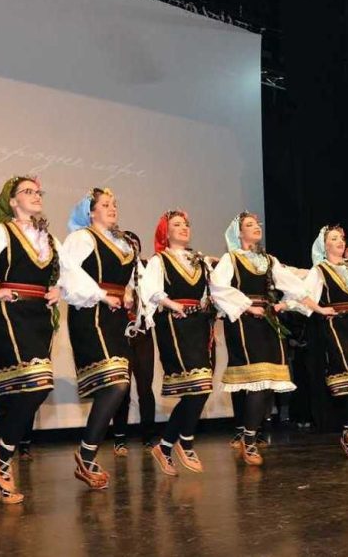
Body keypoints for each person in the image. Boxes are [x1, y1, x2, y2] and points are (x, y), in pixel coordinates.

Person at [209, 211, 331, 466]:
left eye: (257, 224)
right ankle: (249, 439)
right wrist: (247, 306)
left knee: (267, 384)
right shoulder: (231, 259)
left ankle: (250, 435)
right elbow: (218, 287)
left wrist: (313, 308)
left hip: (267, 322)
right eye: (249, 225)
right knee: (257, 380)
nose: (256, 227)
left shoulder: (269, 260)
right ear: (239, 233)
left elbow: (296, 288)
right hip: (244, 322)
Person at [0, 176, 61, 503]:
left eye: (38, 191)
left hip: (38, 317)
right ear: (12, 201)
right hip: (9, 313)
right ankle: (4, 451)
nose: (35, 195)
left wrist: (60, 288)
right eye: (27, 191)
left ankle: (1, 467)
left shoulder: (47, 237)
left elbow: (70, 271)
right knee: (37, 383)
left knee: (18, 390)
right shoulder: (2, 232)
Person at [61, 188, 139, 489]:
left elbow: (129, 278)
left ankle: (87, 455)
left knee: (119, 385)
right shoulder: (82, 238)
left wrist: (128, 293)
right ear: (90, 212)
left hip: (116, 317)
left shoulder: (123, 243)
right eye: (105, 204)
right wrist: (102, 294)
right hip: (91, 314)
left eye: (114, 204)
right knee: (116, 383)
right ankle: (87, 454)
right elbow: (69, 273)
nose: (112, 208)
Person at [140, 210, 216, 474]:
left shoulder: (200, 261)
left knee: (200, 387)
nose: (184, 227)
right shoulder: (159, 260)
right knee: (199, 386)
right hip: (174, 324)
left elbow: (211, 291)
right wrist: (173, 305)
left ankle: (165, 446)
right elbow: (150, 290)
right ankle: (185, 441)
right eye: (177, 224)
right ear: (166, 232)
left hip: (198, 325)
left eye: (186, 224)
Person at [305, 225, 348, 457]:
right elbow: (303, 296)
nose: (340, 241)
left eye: (341, 238)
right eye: (334, 238)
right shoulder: (320, 270)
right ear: (324, 245)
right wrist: (321, 309)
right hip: (336, 325)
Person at [111, 230, 157, 454]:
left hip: (143, 334)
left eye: (135, 245)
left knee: (145, 387)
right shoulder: (115, 271)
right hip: (120, 333)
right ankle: (119, 439)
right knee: (122, 387)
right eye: (128, 245)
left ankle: (149, 437)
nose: (132, 248)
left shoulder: (147, 269)